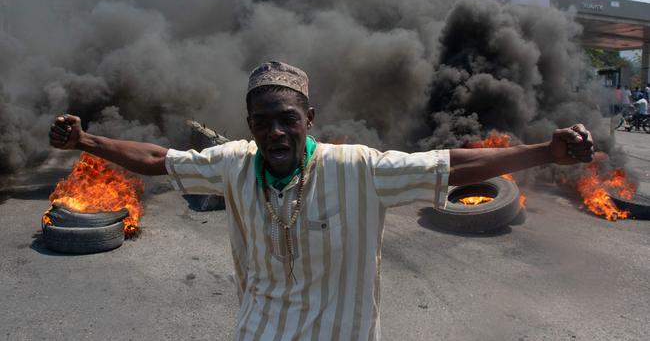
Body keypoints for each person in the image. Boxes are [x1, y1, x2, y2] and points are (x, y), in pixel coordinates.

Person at [49, 61, 594, 340]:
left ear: (310, 120)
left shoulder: (358, 168)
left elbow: (452, 165)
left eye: (288, 120)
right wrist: (86, 141)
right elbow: (155, 159)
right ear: (249, 127)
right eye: (263, 123)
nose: (276, 134)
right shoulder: (233, 161)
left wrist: (545, 150)